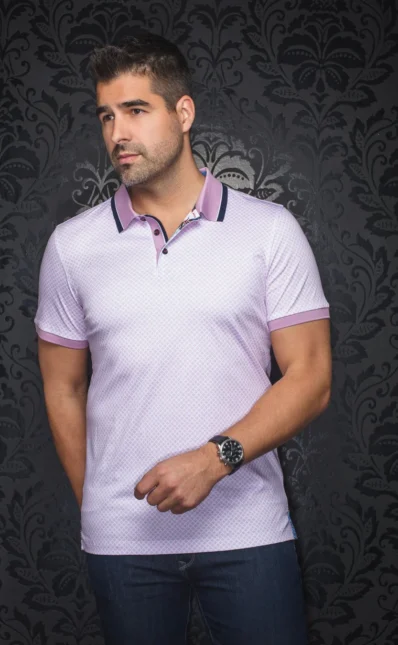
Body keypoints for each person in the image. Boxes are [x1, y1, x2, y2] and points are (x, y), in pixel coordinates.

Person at [34, 31, 331, 645]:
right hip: (124, 542)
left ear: (184, 112)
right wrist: (102, 504)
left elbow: (311, 378)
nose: (118, 133)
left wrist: (213, 460)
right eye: (106, 115)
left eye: (136, 110)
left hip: (247, 529)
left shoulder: (269, 231)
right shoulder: (71, 247)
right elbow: (62, 387)